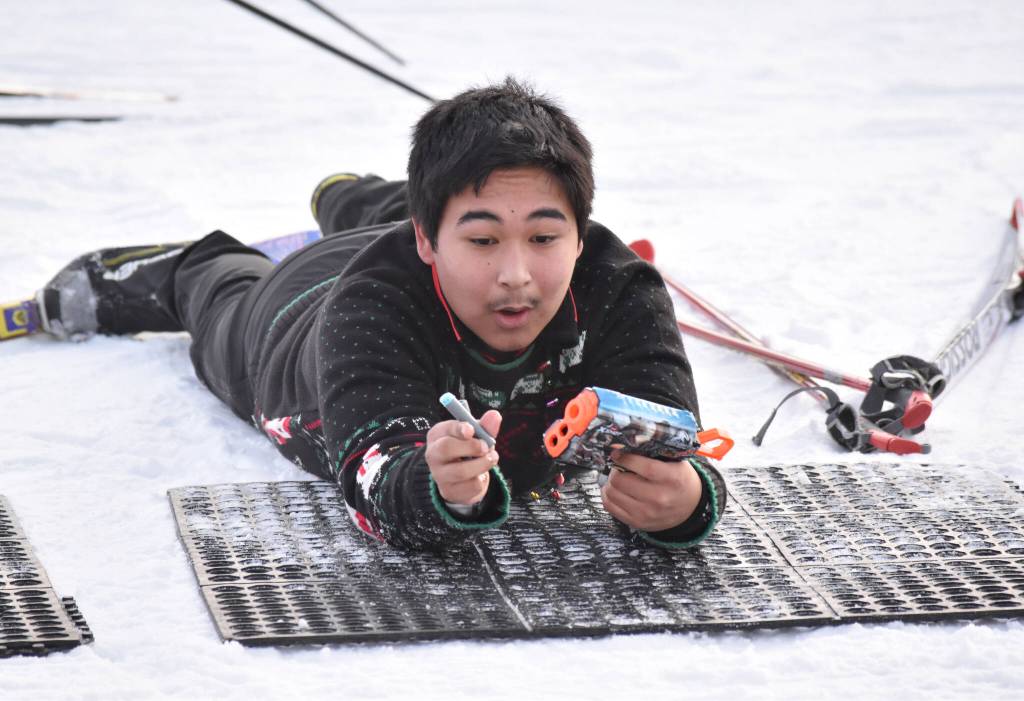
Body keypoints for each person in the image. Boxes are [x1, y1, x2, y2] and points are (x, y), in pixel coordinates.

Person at [36, 78, 727, 551]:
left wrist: (687, 499)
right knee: (223, 296)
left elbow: (679, 443)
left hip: (411, 241)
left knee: (451, 203)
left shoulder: (620, 289)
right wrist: (439, 490)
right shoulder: (368, 310)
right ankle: (182, 267)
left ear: (581, 233)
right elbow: (376, 480)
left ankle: (363, 199)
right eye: (484, 240)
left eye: (546, 238)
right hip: (295, 311)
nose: (516, 274)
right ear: (430, 241)